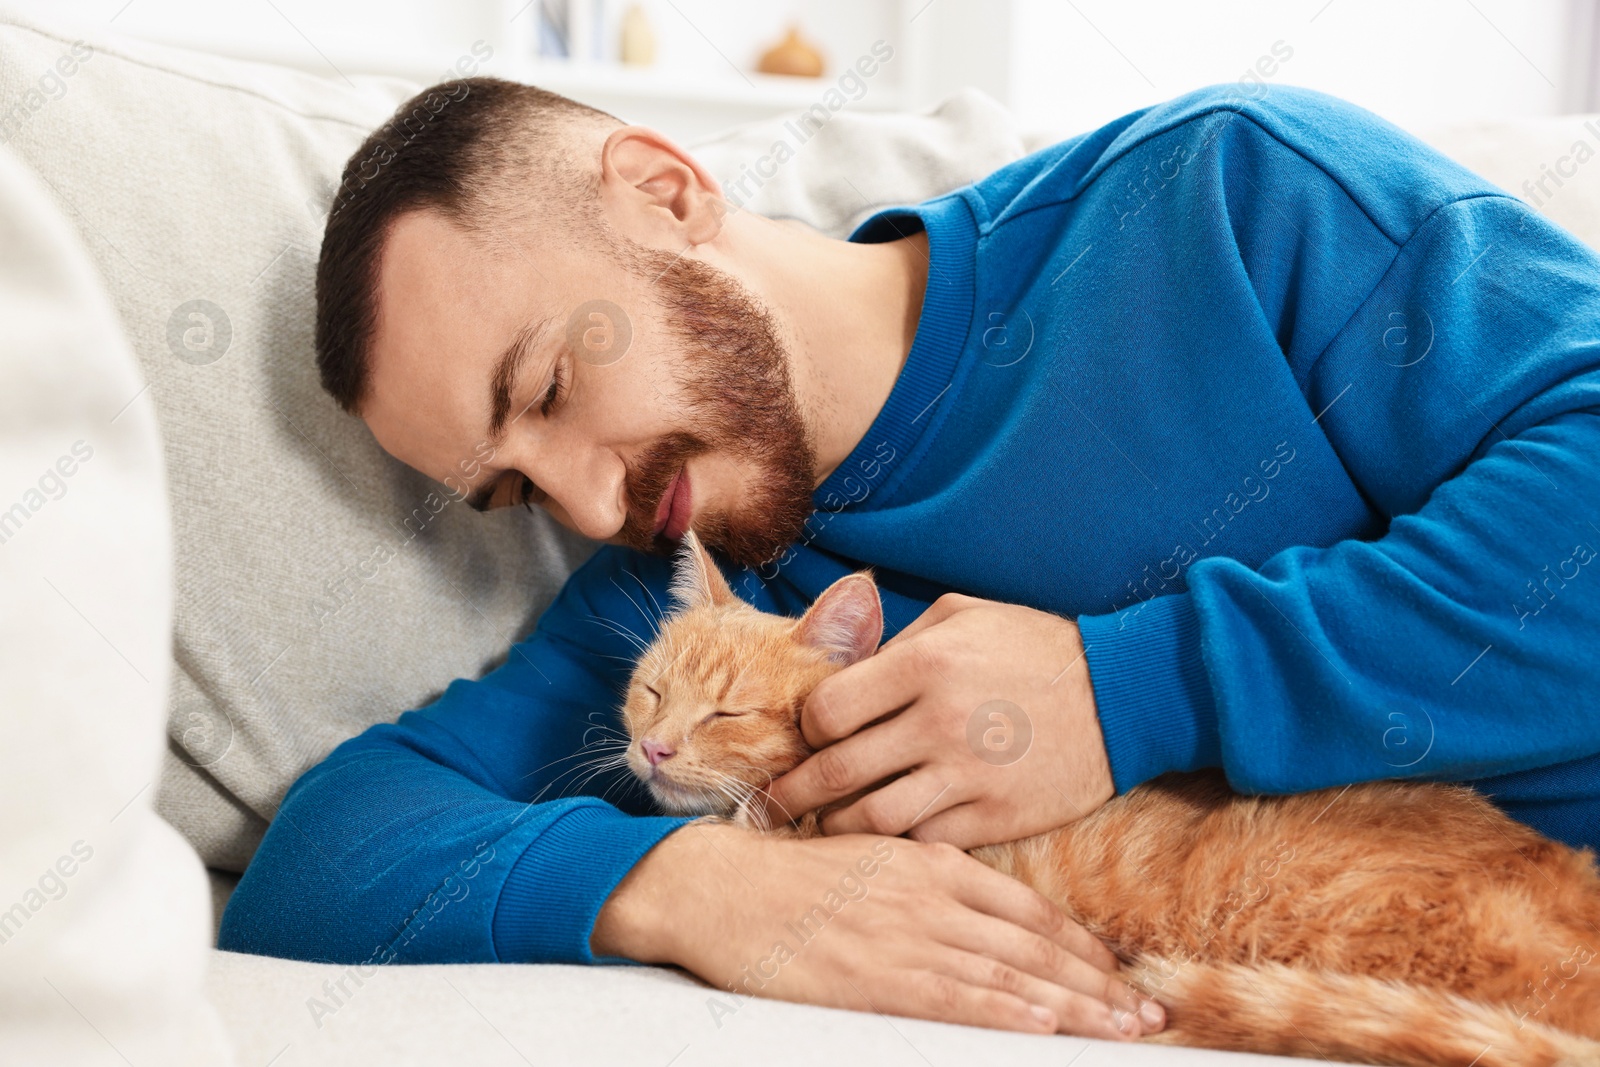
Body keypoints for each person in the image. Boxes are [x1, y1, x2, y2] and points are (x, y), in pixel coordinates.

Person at [220, 77, 1600, 1040]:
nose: (586, 504)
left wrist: (1133, 687)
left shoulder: (1223, 199)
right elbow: (320, 863)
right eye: (508, 486)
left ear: (665, 192)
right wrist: (687, 887)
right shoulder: (705, 603)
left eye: (549, 389)